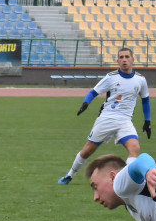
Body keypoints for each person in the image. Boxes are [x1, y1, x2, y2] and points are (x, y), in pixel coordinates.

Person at [58, 46, 151, 185]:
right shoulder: (111, 77)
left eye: (127, 57)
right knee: (87, 150)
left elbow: (145, 100)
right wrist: (85, 103)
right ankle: (70, 174)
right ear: (117, 61)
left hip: (125, 121)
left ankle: (124, 182)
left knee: (135, 148)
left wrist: (147, 121)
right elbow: (93, 92)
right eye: (121, 57)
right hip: (107, 118)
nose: (124, 60)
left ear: (133, 59)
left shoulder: (141, 80)